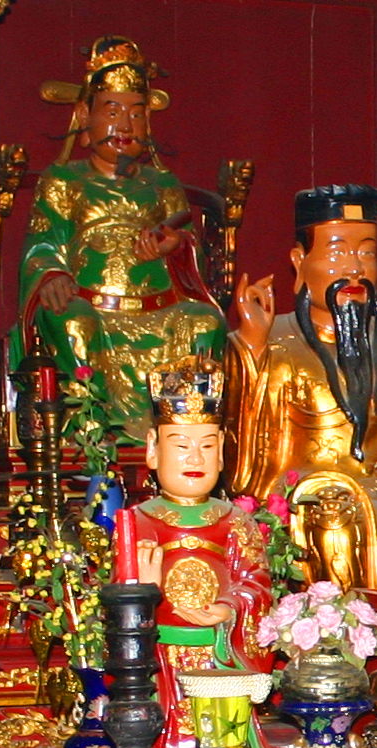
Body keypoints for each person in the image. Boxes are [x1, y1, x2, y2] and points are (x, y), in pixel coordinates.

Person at [21, 36, 228, 460]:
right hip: (93, 307)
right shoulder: (64, 180)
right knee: (73, 321)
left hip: (159, 310)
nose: (125, 126)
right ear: (84, 117)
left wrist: (175, 246)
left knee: (204, 322)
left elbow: (191, 249)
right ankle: (94, 435)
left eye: (136, 114)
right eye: (112, 112)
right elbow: (43, 241)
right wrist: (53, 275)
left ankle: (180, 432)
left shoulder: (162, 183)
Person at [228, 184, 377, 591]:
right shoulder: (276, 341)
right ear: (299, 261)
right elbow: (247, 464)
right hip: (307, 500)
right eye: (337, 252)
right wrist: (251, 346)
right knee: (335, 520)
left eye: (367, 252)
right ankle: (335, 643)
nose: (355, 269)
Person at [113, 366, 272, 689]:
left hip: (219, 654)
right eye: (182, 447)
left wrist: (229, 609)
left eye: (208, 447)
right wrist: (142, 591)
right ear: (153, 449)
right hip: (159, 659)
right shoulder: (138, 521)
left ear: (222, 451)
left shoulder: (236, 521)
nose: (196, 459)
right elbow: (115, 600)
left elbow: (257, 585)